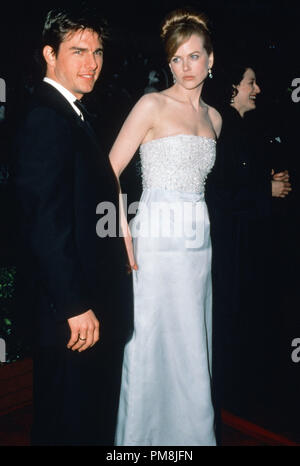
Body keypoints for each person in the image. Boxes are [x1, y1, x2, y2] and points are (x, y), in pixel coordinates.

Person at [11, 7, 132, 445]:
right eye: (78, 51)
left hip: (84, 308)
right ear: (49, 54)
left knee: (81, 421)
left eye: (97, 52)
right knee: (69, 424)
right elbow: (43, 219)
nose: (92, 63)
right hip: (73, 315)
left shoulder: (71, 114)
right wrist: (74, 305)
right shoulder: (47, 116)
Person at [109, 8, 222, 446]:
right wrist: (125, 238)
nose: (185, 67)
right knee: (151, 344)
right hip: (155, 241)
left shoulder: (215, 119)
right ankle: (140, 443)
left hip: (199, 243)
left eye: (194, 57)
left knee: (193, 345)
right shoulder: (151, 104)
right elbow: (109, 171)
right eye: (177, 59)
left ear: (211, 59)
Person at [205, 64, 291, 442]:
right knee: (228, 331)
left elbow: (251, 181)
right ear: (231, 89)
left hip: (254, 252)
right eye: (250, 82)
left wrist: (273, 184)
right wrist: (265, 191)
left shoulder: (249, 130)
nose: (256, 89)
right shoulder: (216, 129)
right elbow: (216, 195)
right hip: (228, 255)